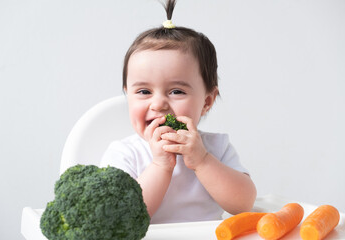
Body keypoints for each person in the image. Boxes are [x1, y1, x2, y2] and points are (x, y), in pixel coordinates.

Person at [100, 0, 257, 224]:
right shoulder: (125, 154)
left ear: (207, 101)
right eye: (144, 91)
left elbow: (244, 204)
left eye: (176, 91)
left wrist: (202, 161)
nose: (159, 104)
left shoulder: (215, 148)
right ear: (128, 95)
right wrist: (160, 166)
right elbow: (122, 218)